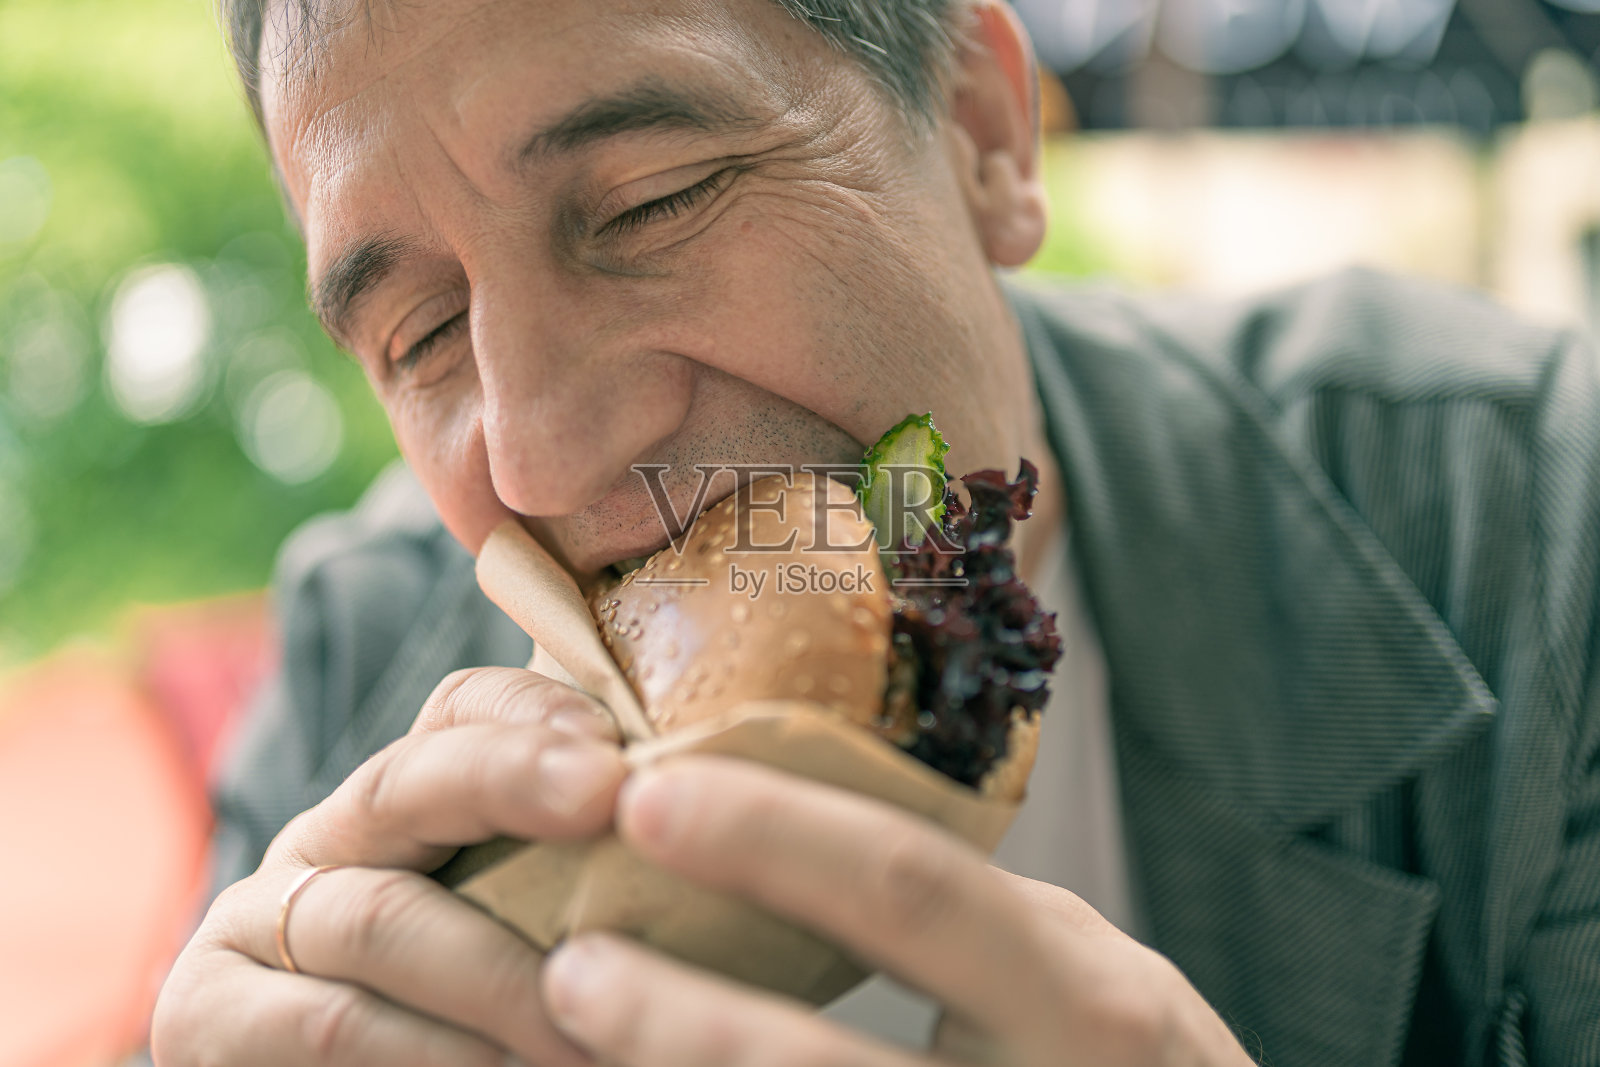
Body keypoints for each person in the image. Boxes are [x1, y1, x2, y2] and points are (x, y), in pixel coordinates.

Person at [150, 0, 1600, 1064]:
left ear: (980, 133)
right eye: (424, 332)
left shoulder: (1533, 527)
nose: (543, 450)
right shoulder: (355, 676)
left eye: (656, 201)